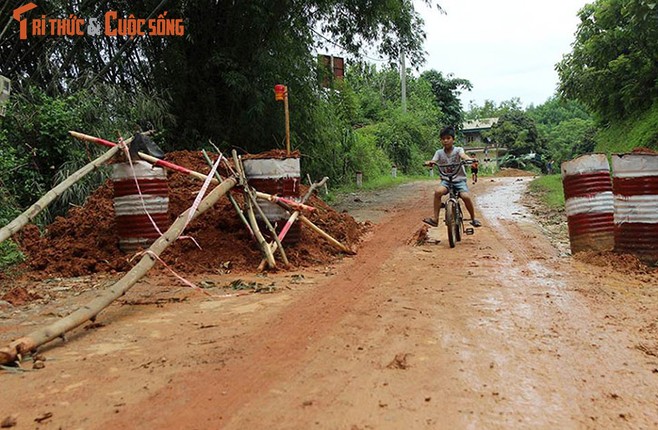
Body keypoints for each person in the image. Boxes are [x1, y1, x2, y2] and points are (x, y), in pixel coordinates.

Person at [423, 126, 482, 228]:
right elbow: (434, 160)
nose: (446, 141)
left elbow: (463, 155)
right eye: (443, 139)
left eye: (448, 138)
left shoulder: (458, 150)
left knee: (466, 197)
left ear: (453, 139)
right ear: (441, 140)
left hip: (459, 181)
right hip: (446, 181)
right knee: (438, 192)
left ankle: (473, 218)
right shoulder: (439, 153)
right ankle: (435, 219)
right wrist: (430, 162)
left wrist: (469, 159)